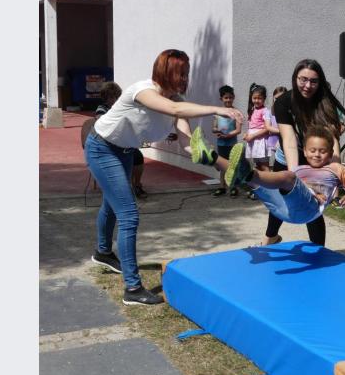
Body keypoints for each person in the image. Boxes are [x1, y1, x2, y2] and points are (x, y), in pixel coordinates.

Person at [86, 49, 244, 306]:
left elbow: (188, 145)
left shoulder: (178, 102)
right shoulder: (143, 90)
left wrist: (227, 165)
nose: (184, 78)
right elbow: (173, 107)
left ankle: (103, 252)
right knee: (128, 214)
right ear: (164, 72)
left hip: (125, 151)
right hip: (102, 147)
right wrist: (219, 109)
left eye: (186, 73)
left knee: (112, 204)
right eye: (179, 73)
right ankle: (133, 289)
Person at [257, 59, 345, 246]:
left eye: (313, 81)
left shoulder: (325, 103)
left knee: (313, 206)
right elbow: (289, 141)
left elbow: (332, 139)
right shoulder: (283, 102)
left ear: (320, 82)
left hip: (315, 160)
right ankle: (270, 239)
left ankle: (319, 250)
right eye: (303, 79)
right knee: (281, 203)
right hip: (288, 158)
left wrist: (334, 169)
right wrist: (296, 176)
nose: (308, 85)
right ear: (295, 78)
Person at [190, 125, 345, 223]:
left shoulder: (335, 168)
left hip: (308, 210)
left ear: (331, 152)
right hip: (282, 208)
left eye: (322, 151)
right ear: (306, 151)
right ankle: (211, 158)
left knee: (287, 176)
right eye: (312, 150)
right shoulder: (300, 169)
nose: (317, 154)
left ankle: (245, 175)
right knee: (260, 179)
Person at [211, 85, 242, 197]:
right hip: (221, 144)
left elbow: (238, 130)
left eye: (230, 97)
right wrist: (217, 131)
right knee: (223, 166)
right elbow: (213, 128)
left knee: (233, 165)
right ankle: (222, 187)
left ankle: (233, 187)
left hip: (232, 144)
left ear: (233, 97)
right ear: (221, 99)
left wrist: (228, 135)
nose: (228, 100)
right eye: (226, 98)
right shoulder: (218, 113)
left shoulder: (236, 112)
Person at [243, 84, 270, 200]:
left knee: (264, 166)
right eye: (254, 98)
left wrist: (253, 135)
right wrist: (247, 134)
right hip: (253, 142)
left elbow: (266, 129)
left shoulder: (265, 111)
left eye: (259, 98)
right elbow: (251, 127)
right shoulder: (252, 110)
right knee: (257, 166)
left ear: (264, 98)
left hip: (260, 142)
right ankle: (259, 190)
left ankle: (269, 189)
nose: (257, 100)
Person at [264, 86, 287, 169]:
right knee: (275, 161)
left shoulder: (288, 111)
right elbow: (268, 127)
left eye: (282, 98)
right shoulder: (269, 112)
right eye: (276, 98)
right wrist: (282, 131)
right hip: (274, 140)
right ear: (273, 98)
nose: (279, 101)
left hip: (285, 141)